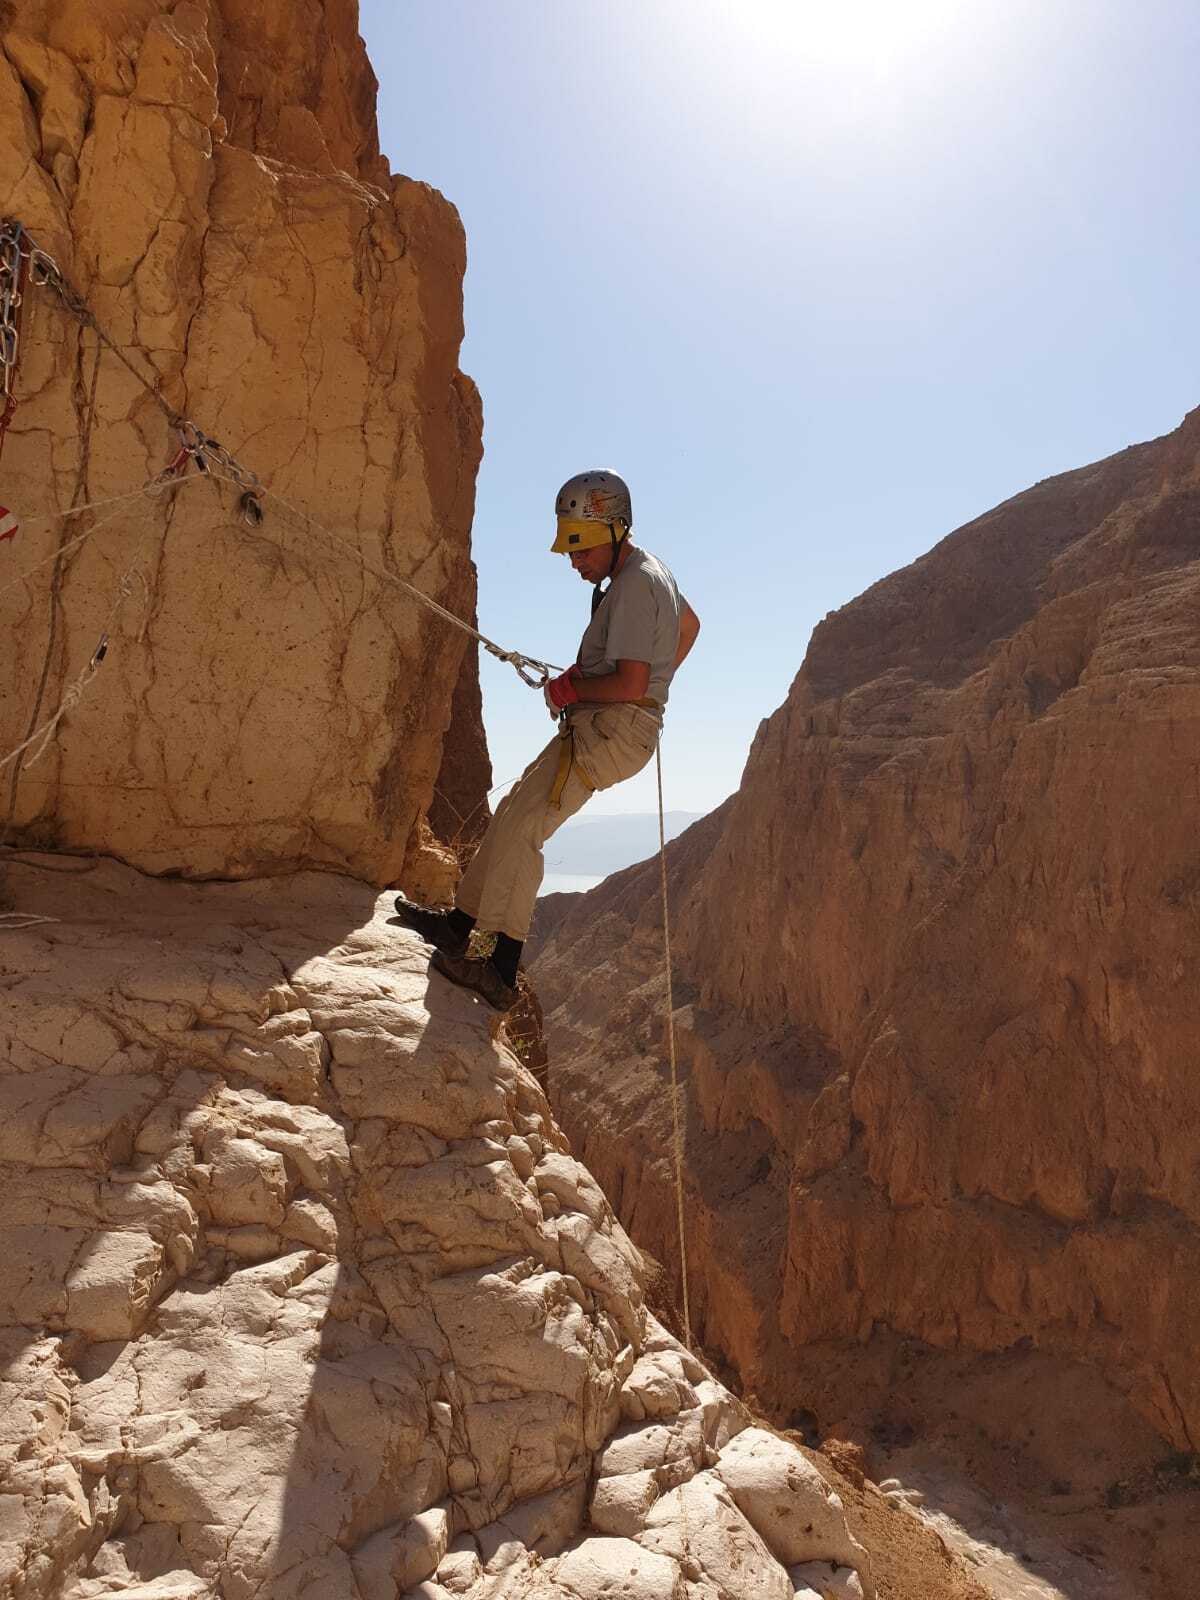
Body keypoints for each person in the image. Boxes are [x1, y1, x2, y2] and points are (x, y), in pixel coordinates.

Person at [396, 468, 700, 1010]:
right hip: (607, 723)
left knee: (524, 830)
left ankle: (495, 964)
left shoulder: (635, 585)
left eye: (582, 548)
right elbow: (690, 626)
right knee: (513, 811)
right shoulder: (652, 571)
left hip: (611, 729)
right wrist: (654, 684)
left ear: (615, 529)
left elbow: (630, 682)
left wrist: (582, 689)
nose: (575, 561)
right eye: (571, 549)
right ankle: (461, 925)